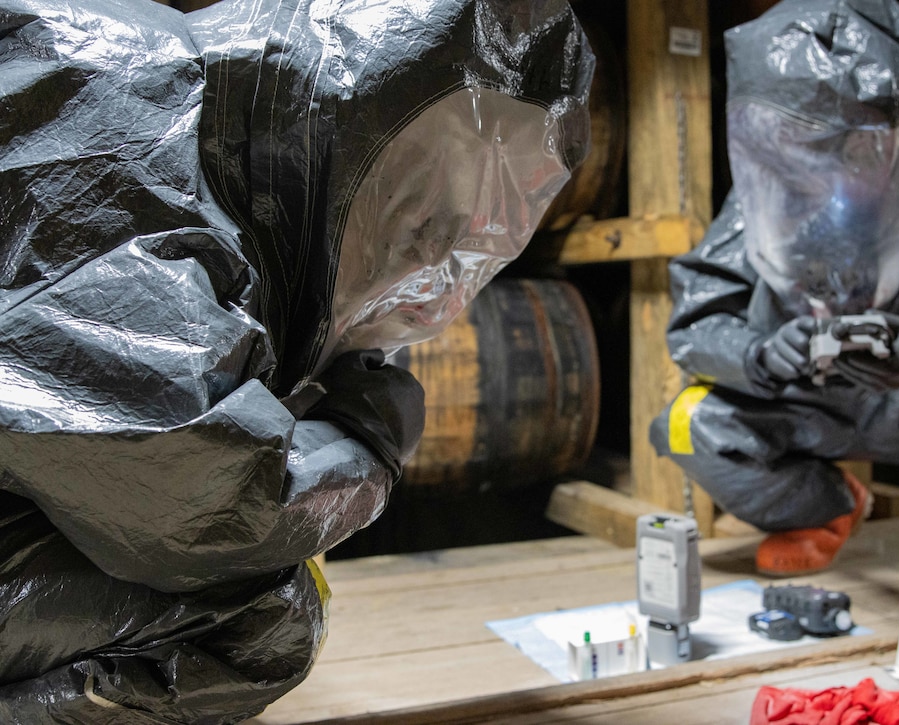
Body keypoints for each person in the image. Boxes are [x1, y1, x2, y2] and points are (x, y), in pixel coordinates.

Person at [0, 0, 591, 720]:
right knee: (262, 617)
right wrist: (368, 429)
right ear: (337, 135)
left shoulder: (193, 122)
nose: (435, 292)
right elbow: (211, 507)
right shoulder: (130, 160)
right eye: (421, 226)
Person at [650, 0, 899, 617]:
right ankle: (823, 508)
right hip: (801, 397)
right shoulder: (762, 196)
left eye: (859, 140)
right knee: (684, 420)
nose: (832, 156)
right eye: (808, 138)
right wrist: (760, 356)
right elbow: (697, 322)